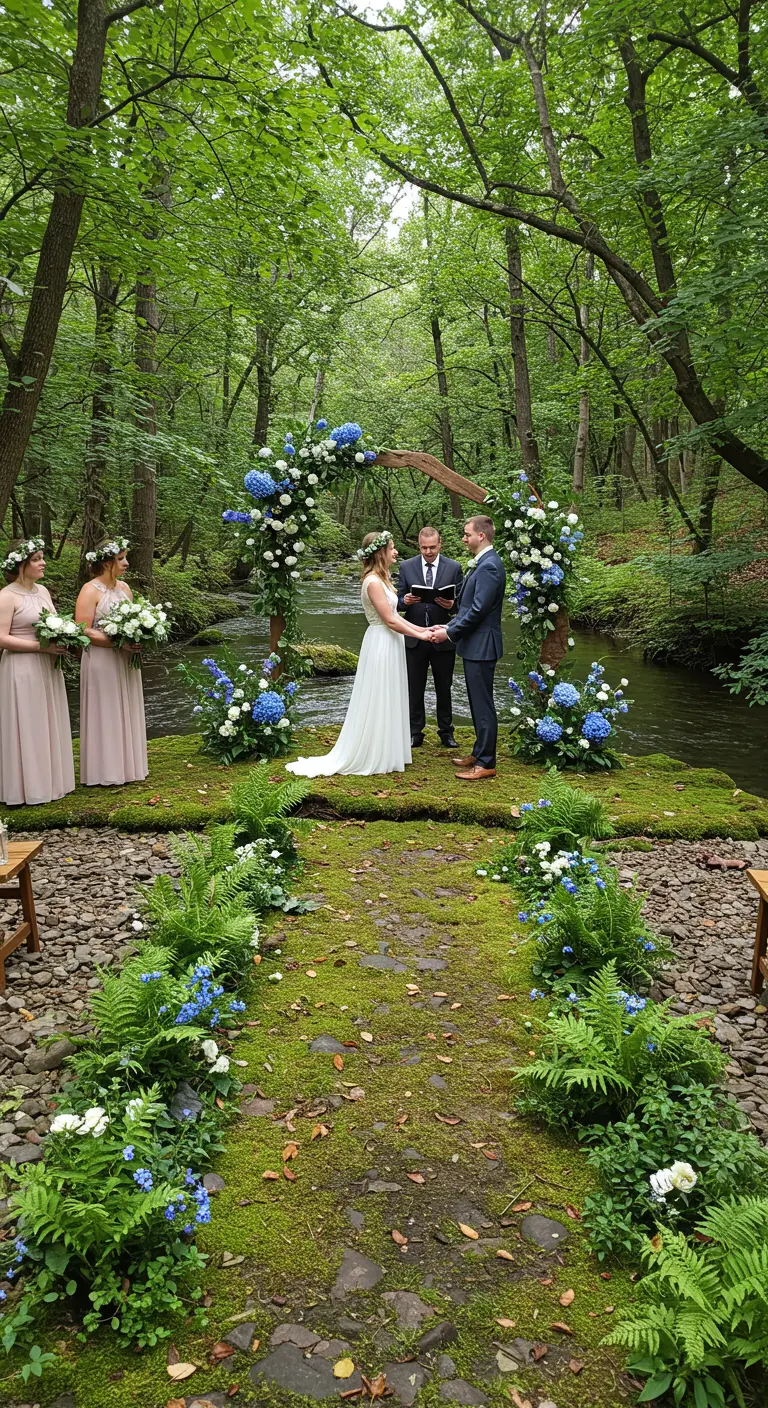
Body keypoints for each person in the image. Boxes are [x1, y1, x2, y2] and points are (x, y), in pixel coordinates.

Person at [286, 530, 433, 777]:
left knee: (391, 693)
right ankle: (374, 752)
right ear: (380, 553)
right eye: (392, 548)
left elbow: (397, 617)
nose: (396, 552)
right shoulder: (372, 583)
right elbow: (389, 621)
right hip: (381, 642)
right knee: (379, 694)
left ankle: (389, 750)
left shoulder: (383, 579)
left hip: (392, 641)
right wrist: (422, 636)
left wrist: (426, 629)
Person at [0, 538, 75, 806]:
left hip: (47, 665)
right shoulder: (6, 596)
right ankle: (25, 788)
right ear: (20, 565)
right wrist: (40, 647)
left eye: (41, 557)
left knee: (47, 720)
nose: (43, 562)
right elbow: (1, 638)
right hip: (22, 667)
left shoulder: (43, 591)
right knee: (28, 724)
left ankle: (52, 782)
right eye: (36, 559)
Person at [431, 515, 506, 781]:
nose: (464, 538)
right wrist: (446, 624)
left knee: (483, 704)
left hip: (483, 644)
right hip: (475, 644)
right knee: (476, 702)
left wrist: (448, 633)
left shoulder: (489, 567)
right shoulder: (482, 563)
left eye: (467, 534)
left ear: (481, 536)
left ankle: (486, 762)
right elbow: (466, 607)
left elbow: (478, 611)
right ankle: (479, 751)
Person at [75, 537, 148, 787]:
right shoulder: (89, 590)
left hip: (126, 659)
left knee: (126, 706)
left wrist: (139, 636)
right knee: (105, 709)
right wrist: (116, 641)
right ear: (106, 562)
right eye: (121, 559)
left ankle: (128, 766)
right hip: (101, 658)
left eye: (125, 557)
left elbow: (136, 619)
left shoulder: (125, 589)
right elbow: (82, 630)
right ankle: (103, 771)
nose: (126, 563)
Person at [397, 526, 463, 749]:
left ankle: (446, 732)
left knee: (444, 686)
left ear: (440, 544)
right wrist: (404, 601)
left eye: (432, 547)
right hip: (414, 636)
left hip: (443, 636)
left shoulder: (454, 567)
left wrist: (452, 605)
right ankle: (415, 732)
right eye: (424, 548)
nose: (428, 552)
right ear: (419, 545)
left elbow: (463, 606)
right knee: (415, 686)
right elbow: (394, 602)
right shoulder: (406, 566)